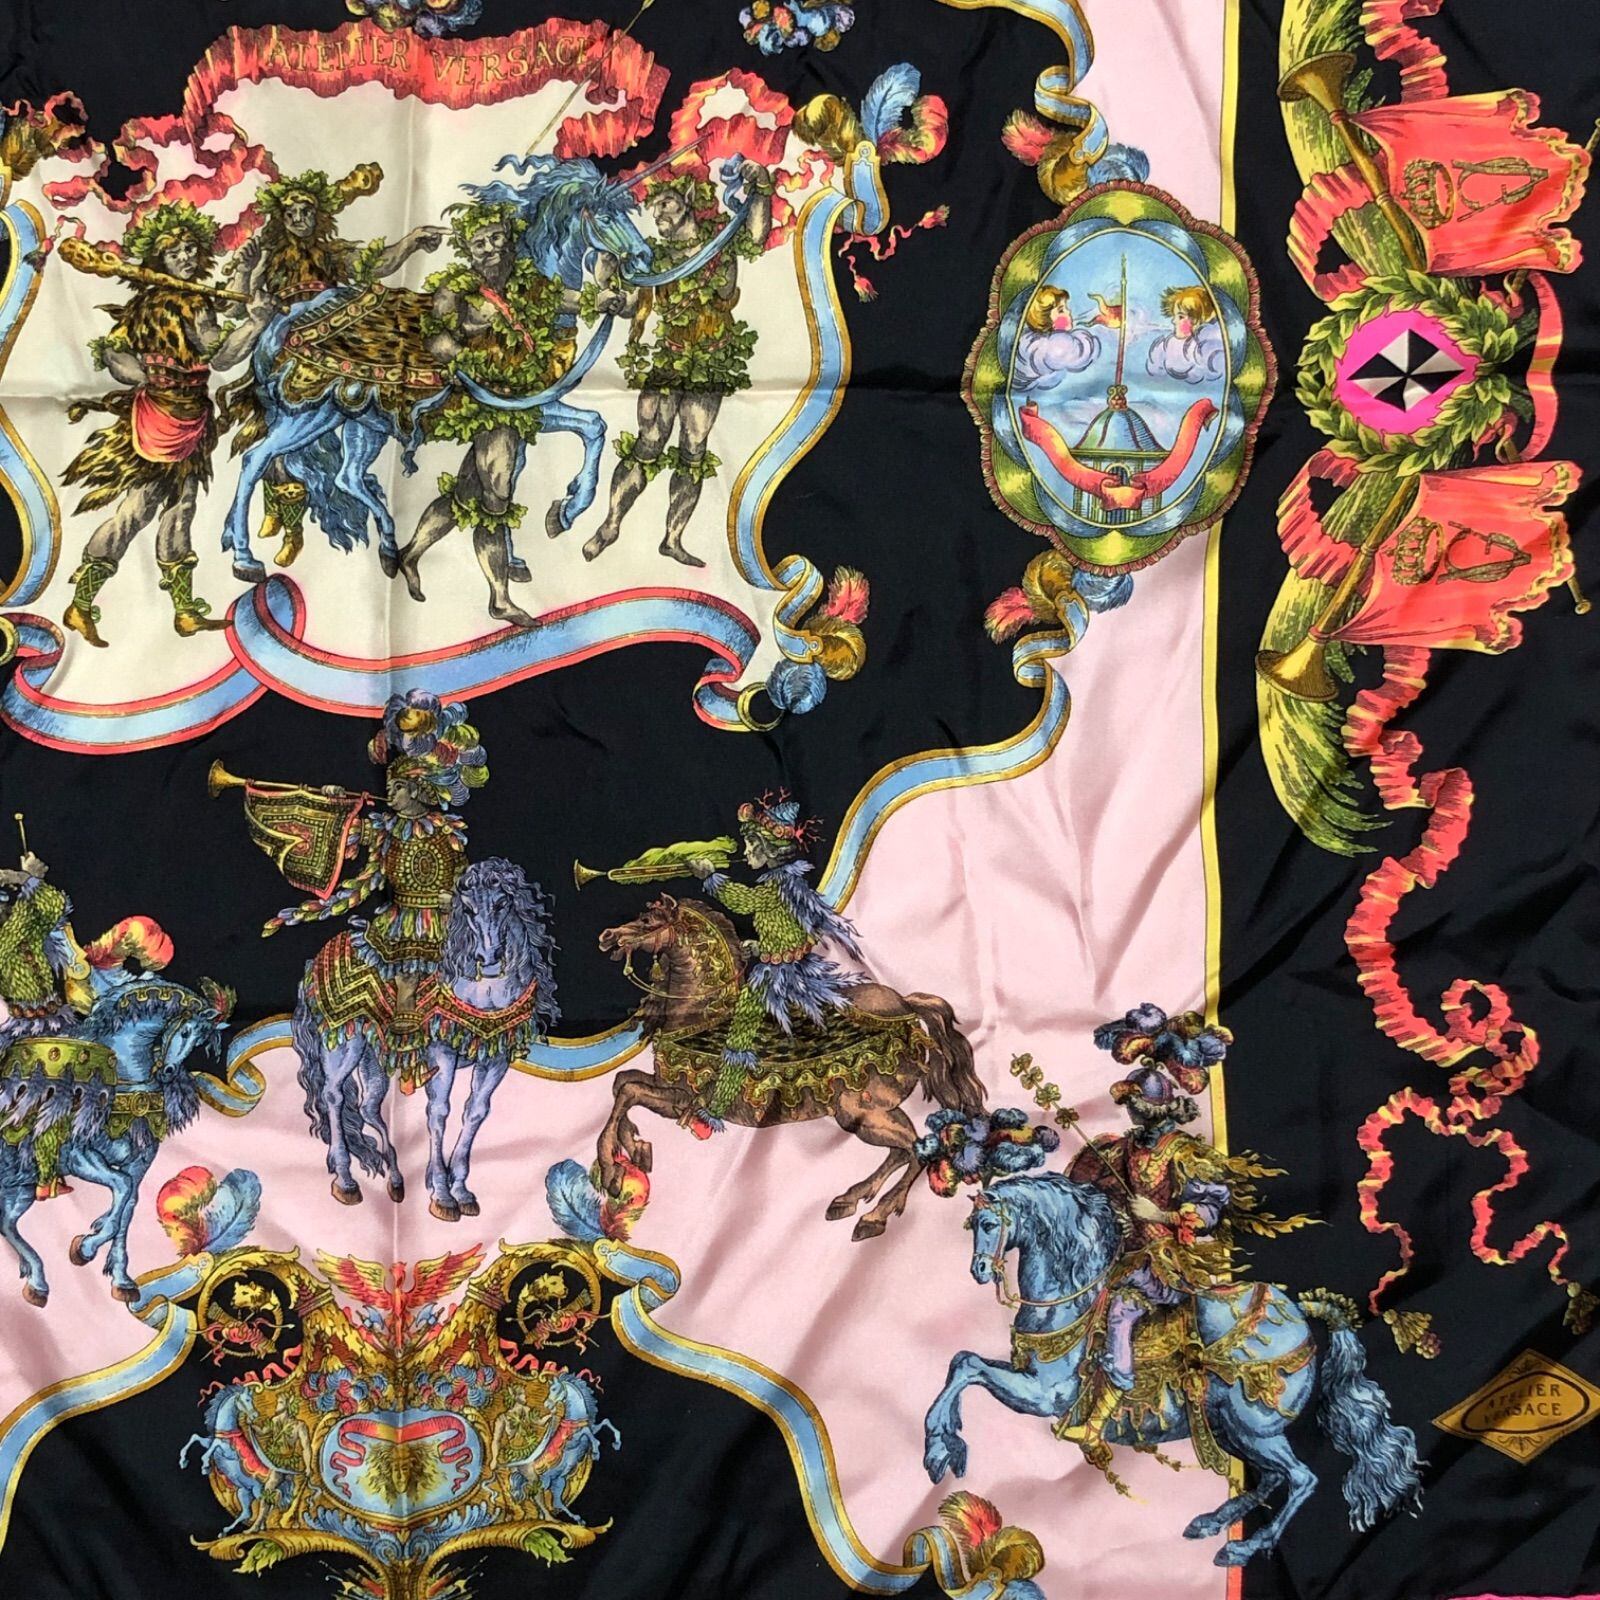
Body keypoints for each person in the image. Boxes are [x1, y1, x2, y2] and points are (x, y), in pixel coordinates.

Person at [61, 201, 275, 647]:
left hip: (189, 417)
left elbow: (221, 319)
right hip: (161, 419)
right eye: (175, 252)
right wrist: (256, 325)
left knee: (181, 509)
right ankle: (80, 605)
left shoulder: (180, 301)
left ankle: (184, 613)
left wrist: (246, 280)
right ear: (159, 260)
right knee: (137, 512)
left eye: (190, 250)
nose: (186, 258)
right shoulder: (173, 305)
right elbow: (221, 355)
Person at [221, 165, 445, 568]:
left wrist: (411, 241)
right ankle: (243, 531)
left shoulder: (333, 254)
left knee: (395, 316)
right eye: (291, 213)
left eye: (306, 211)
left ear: (318, 215)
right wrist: (245, 269)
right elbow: (237, 302)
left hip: (340, 333)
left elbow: (377, 263)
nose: (299, 218)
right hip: (292, 334)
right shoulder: (268, 258)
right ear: (281, 219)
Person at [263, 690, 486, 1088]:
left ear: (415, 789)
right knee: (407, 982)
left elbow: (462, 875)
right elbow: (350, 830)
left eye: (396, 788)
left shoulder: (447, 831)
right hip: (401, 923)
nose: (391, 795)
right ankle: (409, 1065)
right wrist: (333, 803)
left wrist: (455, 897)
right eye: (390, 788)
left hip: (444, 921)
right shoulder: (386, 829)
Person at [393, 202, 589, 628]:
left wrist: (602, 299)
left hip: (518, 399)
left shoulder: (528, 284)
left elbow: (565, 300)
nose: (491, 248)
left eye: (496, 237)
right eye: (480, 243)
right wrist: (469, 365)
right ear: (468, 250)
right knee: (496, 496)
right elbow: (437, 339)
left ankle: (409, 554)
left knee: (467, 491)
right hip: (486, 405)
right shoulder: (456, 290)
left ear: (509, 238)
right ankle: (499, 599)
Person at [1061, 1006, 1235, 1472]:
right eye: (1131, 1105)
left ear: (1159, 1109)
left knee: (1121, 1308)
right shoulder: (1121, 1148)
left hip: (1173, 1261)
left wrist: (1159, 1213)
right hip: (1129, 1253)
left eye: (1139, 1105)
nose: (1132, 1112)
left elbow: (1209, 1210)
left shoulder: (1185, 1153)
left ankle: (1098, 1419)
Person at [583, 163, 774, 568]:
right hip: (669, 358)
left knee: (693, 447)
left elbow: (757, 236)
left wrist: (760, 187)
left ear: (688, 199)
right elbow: (631, 302)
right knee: (648, 442)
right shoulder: (654, 258)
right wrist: (611, 290)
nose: (658, 213)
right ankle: (610, 525)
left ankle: (672, 538)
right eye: (654, 208)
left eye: (666, 203)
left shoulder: (721, 239)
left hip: (712, 360)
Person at [687, 794, 862, 1133]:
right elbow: (794, 931)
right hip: (791, 964)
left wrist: (710, 878)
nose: (746, 853)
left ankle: (716, 1109)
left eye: (751, 846)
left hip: (778, 976)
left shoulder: (774, 888)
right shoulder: (791, 883)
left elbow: (744, 902)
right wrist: (762, 946)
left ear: (768, 850)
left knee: (740, 1031)